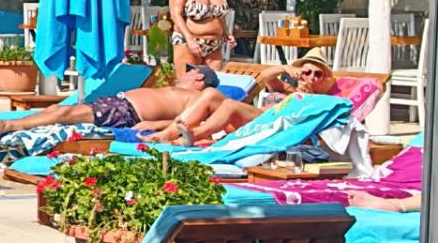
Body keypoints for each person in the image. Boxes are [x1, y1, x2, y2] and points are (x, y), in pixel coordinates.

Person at [142, 50, 342, 145]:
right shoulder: (286, 88)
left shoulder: (320, 100)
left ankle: (192, 136)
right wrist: (284, 68)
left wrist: (306, 96)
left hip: (268, 126)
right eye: (307, 72)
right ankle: (167, 134)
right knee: (210, 94)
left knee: (230, 105)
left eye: (318, 74)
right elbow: (265, 76)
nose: (311, 77)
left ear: (324, 78)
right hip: (249, 123)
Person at [0, 65, 219, 136]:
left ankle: (5, 126)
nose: (184, 73)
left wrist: (155, 125)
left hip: (127, 113)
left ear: (199, 77)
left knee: (62, 114)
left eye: (190, 71)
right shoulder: (178, 90)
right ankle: (10, 125)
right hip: (118, 104)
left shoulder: (199, 97)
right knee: (57, 108)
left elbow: (191, 123)